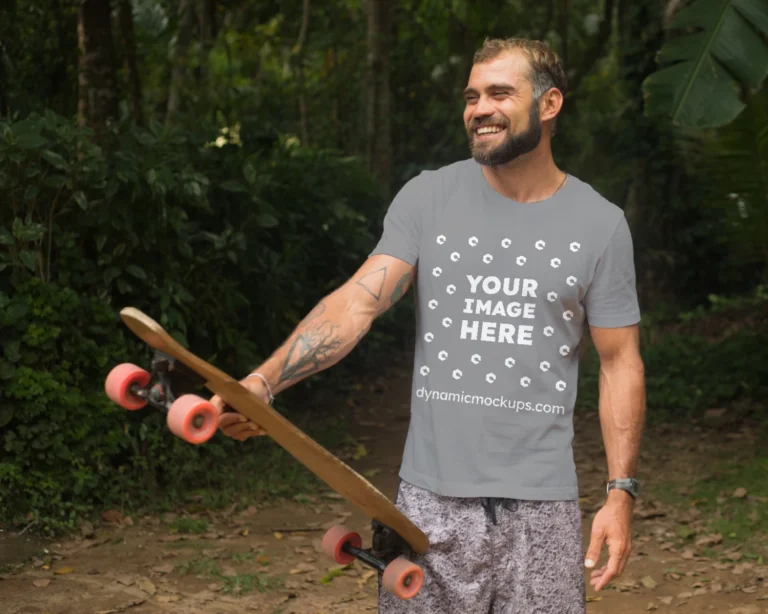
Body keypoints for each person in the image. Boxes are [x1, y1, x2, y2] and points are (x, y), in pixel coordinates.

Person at [212, 37, 646, 614]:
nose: (479, 108)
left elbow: (620, 362)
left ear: (549, 104)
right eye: (471, 96)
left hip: (543, 509)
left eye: (499, 93)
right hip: (430, 505)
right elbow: (356, 305)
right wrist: (263, 384)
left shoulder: (601, 224)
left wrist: (620, 493)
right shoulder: (430, 197)